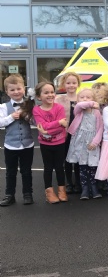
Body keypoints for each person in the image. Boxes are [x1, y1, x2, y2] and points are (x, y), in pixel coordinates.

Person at [0, 74, 35, 206]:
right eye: (12, 90)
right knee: (10, 172)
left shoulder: (29, 105)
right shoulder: (3, 107)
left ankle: (28, 194)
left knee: (26, 171)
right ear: (7, 91)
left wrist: (27, 117)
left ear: (24, 89)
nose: (16, 92)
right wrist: (11, 117)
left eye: (19, 88)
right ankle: (9, 195)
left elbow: (36, 122)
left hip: (27, 144)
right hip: (10, 146)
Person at [32, 81, 68, 204]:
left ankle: (62, 190)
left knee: (59, 167)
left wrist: (47, 131)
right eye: (46, 92)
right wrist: (58, 123)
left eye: (52, 92)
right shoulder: (37, 110)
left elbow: (61, 128)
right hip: (45, 144)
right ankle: (49, 192)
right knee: (48, 168)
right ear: (39, 96)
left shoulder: (59, 108)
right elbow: (42, 125)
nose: (50, 95)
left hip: (60, 143)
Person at [66, 88, 104, 200]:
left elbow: (100, 128)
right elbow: (79, 105)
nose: (85, 99)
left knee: (93, 166)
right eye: (82, 97)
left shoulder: (97, 113)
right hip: (80, 142)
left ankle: (94, 187)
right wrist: (91, 103)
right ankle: (85, 189)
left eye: (88, 97)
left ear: (94, 99)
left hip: (92, 142)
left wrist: (96, 142)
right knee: (82, 166)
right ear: (77, 100)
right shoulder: (78, 111)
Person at [55, 72, 81, 194]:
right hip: (64, 134)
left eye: (74, 83)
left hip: (78, 134)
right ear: (64, 84)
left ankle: (78, 183)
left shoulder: (81, 98)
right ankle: (69, 183)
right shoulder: (59, 99)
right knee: (66, 159)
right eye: (68, 83)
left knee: (78, 159)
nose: (71, 85)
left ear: (78, 84)